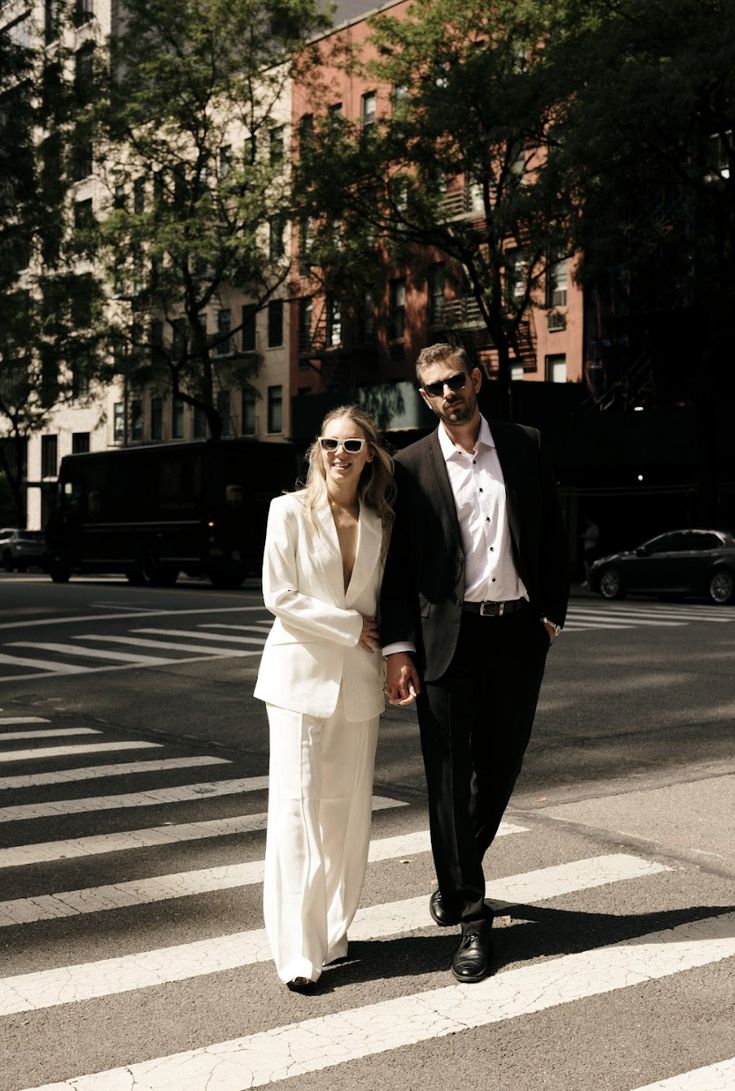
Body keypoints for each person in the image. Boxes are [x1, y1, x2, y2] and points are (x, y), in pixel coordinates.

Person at [380, 343, 569, 984]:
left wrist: (551, 614)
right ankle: (470, 914)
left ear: (478, 378)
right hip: (445, 642)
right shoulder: (409, 467)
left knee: (502, 765)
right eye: (432, 388)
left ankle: (455, 870)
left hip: (517, 632)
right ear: (425, 397)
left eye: (455, 381)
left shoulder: (525, 443)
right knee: (446, 778)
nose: (446, 395)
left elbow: (553, 533)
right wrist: (398, 646)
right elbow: (398, 569)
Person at [254, 405, 395, 993]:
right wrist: (348, 627)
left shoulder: (380, 523)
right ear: (318, 450)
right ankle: (296, 951)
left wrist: (392, 656)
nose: (340, 453)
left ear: (369, 457)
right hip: (297, 681)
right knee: (297, 814)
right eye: (331, 443)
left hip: (359, 685)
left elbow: (385, 605)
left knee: (346, 817)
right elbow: (278, 594)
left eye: (353, 445)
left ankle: (334, 929)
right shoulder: (287, 511)